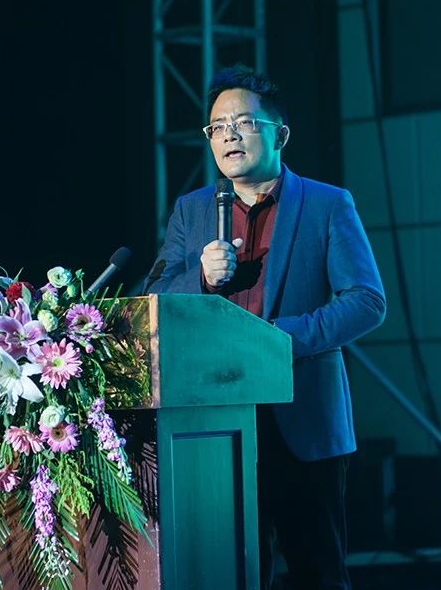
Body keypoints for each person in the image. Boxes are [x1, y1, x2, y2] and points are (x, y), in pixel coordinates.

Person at [145, 64, 386, 589]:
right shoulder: (191, 210)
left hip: (302, 420)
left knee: (317, 575)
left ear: (280, 134)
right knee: (229, 572)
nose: (229, 135)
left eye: (244, 123)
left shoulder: (326, 203)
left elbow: (367, 301)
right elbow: (156, 296)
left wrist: (275, 342)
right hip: (212, 423)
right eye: (217, 127)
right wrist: (201, 279)